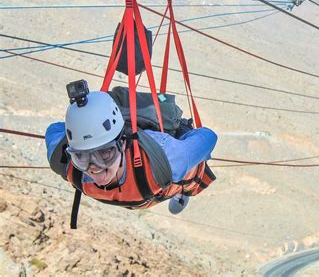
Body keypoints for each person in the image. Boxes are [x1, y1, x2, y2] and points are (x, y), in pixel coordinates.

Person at [45, 81, 217, 219]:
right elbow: (207, 136)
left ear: (123, 142)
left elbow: (208, 137)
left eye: (105, 153)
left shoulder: (167, 155)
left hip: (162, 182)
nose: (94, 167)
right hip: (147, 191)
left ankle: (184, 191)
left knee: (190, 169)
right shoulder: (61, 158)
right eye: (81, 156)